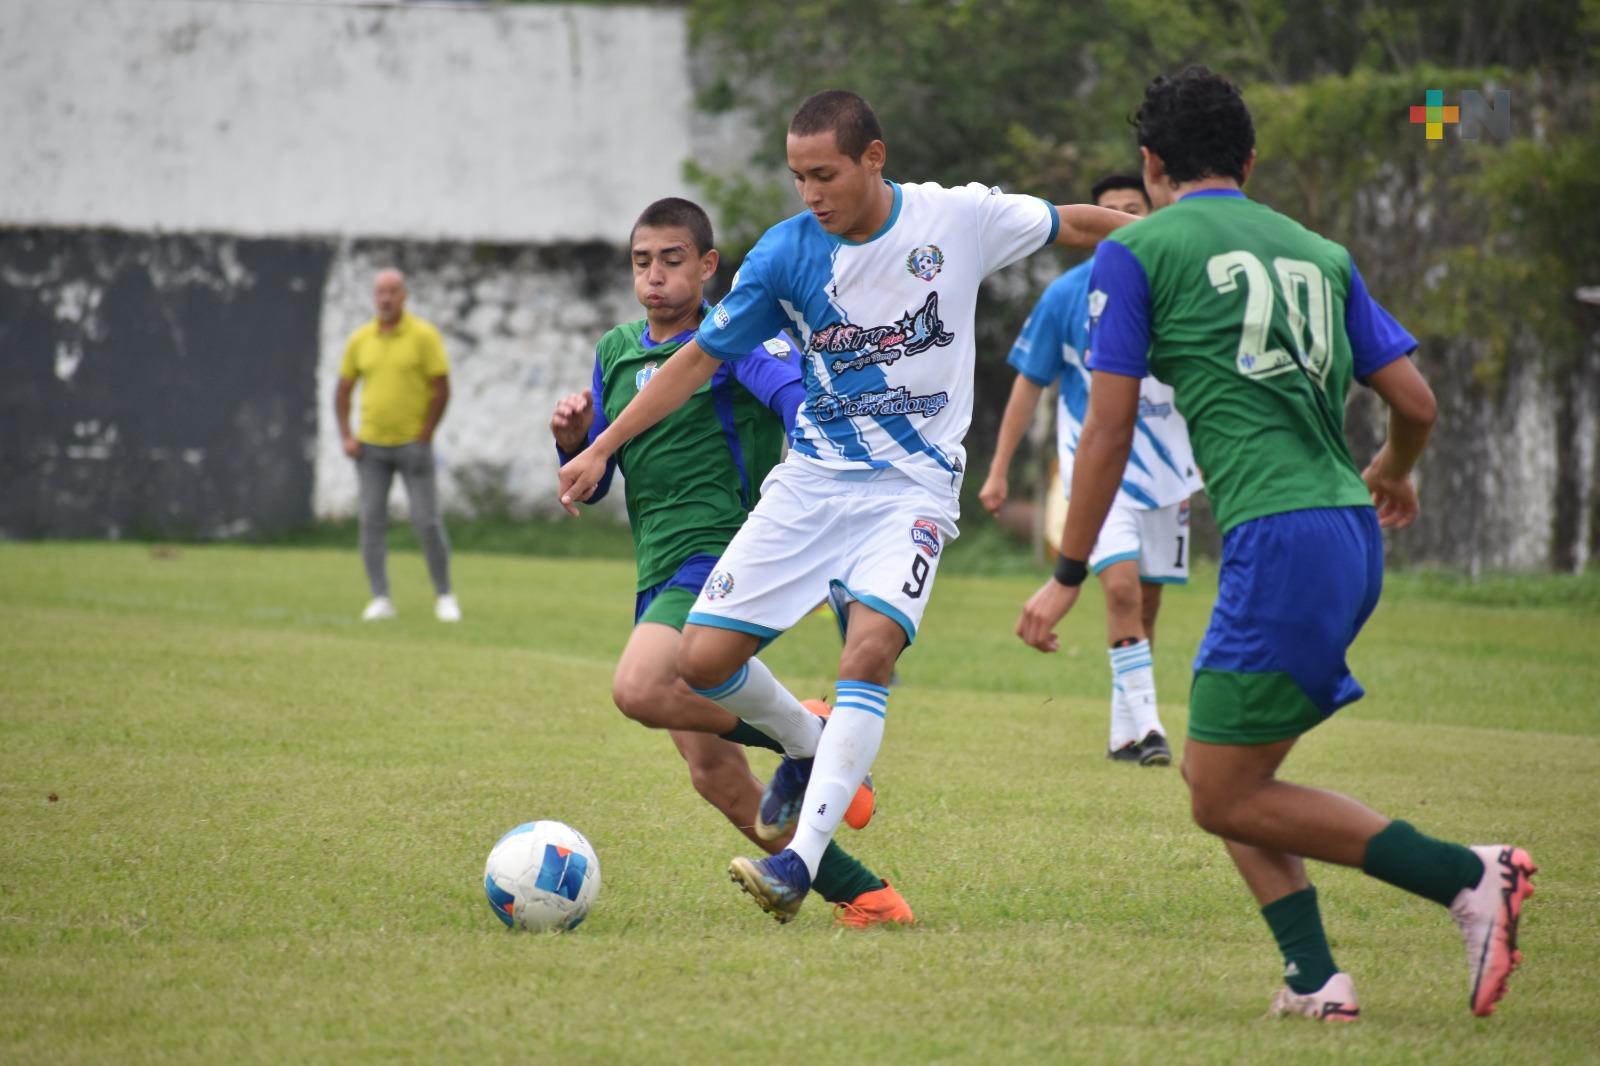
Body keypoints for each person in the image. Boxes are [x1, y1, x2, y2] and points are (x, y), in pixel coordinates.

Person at [1015, 67, 1535, 1020]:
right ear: (1250, 162)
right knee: (1225, 775)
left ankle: (1469, 876)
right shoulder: (1320, 252)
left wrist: (1066, 572)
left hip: (1279, 536)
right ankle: (1314, 980)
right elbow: (1416, 403)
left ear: (1151, 164)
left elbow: (1107, 430)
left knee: (1220, 793)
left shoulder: (1141, 250)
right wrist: (1394, 468)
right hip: (1346, 532)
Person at [559, 90, 1136, 923]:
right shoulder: (783, 254)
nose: (810, 193)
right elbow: (694, 361)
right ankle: (807, 740)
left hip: (912, 489)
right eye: (797, 177)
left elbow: (1075, 224)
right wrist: (600, 447)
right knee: (701, 662)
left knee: (867, 653)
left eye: (824, 174)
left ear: (874, 158)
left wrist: (1175, 237)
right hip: (812, 484)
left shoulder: (956, 219)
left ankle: (801, 862)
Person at [550, 196, 911, 927]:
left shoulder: (738, 337)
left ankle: (810, 734)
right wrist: (576, 442)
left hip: (719, 556)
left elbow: (799, 404)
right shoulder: (616, 350)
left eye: (672, 260)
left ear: (708, 265)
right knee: (713, 772)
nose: (655, 276)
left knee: (639, 688)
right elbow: (601, 476)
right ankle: (869, 897)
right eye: (642, 262)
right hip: (656, 567)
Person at [979, 172, 1200, 766]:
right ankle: (1151, 729)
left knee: (1145, 601)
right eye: (1110, 213)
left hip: (1167, 471)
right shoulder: (1067, 295)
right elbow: (1030, 382)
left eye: (1134, 209)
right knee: (1120, 587)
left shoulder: (1181, 286)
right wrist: (998, 469)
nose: (1122, 222)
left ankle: (1124, 733)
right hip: (1096, 467)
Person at [334, 269, 460, 623]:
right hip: (370, 448)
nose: (386, 298)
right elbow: (343, 390)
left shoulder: (423, 336)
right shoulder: (360, 339)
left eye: (392, 291)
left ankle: (444, 596)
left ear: (404, 295)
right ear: (374, 297)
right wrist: (346, 435)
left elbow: (441, 387)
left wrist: (426, 433)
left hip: (413, 447)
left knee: (427, 522)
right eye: (380, 292)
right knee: (371, 521)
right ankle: (380, 598)